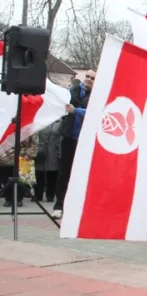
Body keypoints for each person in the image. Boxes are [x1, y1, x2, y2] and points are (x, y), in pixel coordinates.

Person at [54, 70, 95, 219]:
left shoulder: (98, 95)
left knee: (81, 175)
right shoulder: (73, 91)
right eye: (88, 76)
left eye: (93, 78)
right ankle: (59, 205)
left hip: (85, 141)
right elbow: (64, 105)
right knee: (63, 173)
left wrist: (75, 110)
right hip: (69, 137)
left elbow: (93, 113)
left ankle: (78, 207)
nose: (89, 79)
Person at [2, 134, 39, 207]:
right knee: (5, 178)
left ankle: (18, 199)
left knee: (21, 179)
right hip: (5, 157)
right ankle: (8, 199)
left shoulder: (29, 127)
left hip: (23, 157)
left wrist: (29, 154)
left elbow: (34, 143)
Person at [34, 120, 61, 203]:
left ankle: (50, 195)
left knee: (52, 174)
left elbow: (61, 138)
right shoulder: (39, 120)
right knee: (39, 173)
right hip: (40, 150)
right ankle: (38, 195)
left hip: (53, 150)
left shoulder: (59, 122)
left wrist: (60, 151)